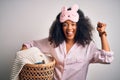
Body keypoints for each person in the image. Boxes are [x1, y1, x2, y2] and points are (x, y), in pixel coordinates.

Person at [21, 4, 114, 80]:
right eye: (65, 24)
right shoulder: (53, 42)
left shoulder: (88, 46)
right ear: (60, 27)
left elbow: (107, 59)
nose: (69, 28)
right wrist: (23, 57)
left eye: (73, 24)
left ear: (79, 26)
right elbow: (29, 44)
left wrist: (102, 34)